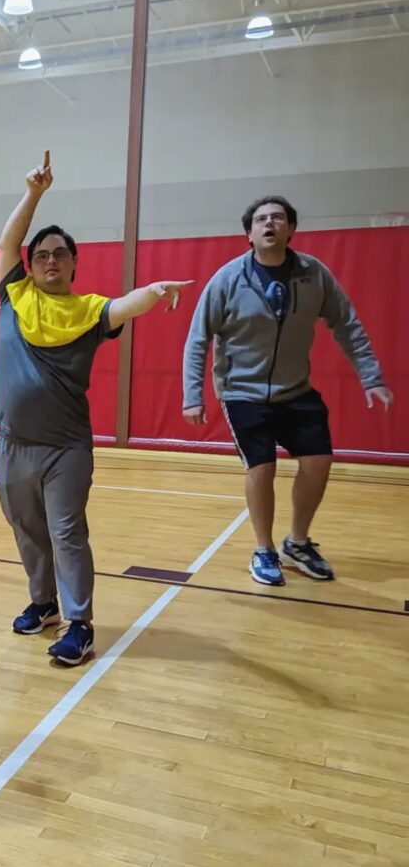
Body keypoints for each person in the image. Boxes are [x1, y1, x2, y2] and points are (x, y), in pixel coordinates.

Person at [0, 152, 192, 666]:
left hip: (65, 447)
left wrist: (151, 291)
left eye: (61, 253)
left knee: (66, 532)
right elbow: (5, 240)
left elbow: (126, 305)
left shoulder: (89, 311)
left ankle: (79, 623)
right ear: (30, 264)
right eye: (42, 255)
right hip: (12, 442)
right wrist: (34, 194)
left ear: (75, 263)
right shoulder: (14, 295)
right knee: (28, 530)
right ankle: (44, 605)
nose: (51, 260)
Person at [182, 195, 392, 586]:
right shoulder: (228, 279)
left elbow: (346, 323)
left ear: (291, 229)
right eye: (261, 219)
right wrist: (193, 395)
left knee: (319, 462)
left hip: (296, 389)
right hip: (241, 391)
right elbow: (198, 338)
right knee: (262, 468)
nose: (270, 224)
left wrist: (371, 376)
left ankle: (297, 543)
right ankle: (263, 550)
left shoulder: (314, 275)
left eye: (278, 218)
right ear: (249, 234)